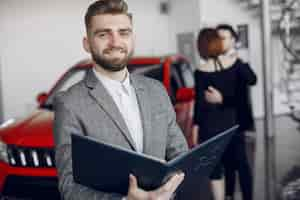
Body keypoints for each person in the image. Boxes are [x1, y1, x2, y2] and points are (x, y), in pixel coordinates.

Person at [52, 0, 188, 200]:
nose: (115, 42)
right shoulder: (70, 103)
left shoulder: (157, 91)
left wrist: (169, 189)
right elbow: (69, 186)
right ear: (87, 43)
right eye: (103, 34)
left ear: (132, 38)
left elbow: (180, 157)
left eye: (123, 32)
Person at [193, 27, 257, 200]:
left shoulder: (201, 71)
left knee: (217, 170)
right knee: (237, 164)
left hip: (210, 127)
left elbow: (199, 105)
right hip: (231, 123)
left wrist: (195, 130)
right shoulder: (234, 65)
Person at [216, 24, 257, 200]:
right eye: (218, 38)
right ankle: (229, 195)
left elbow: (252, 79)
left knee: (242, 164)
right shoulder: (215, 63)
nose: (221, 42)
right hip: (221, 123)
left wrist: (239, 60)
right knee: (228, 163)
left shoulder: (239, 63)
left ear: (233, 41)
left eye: (224, 38)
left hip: (238, 122)